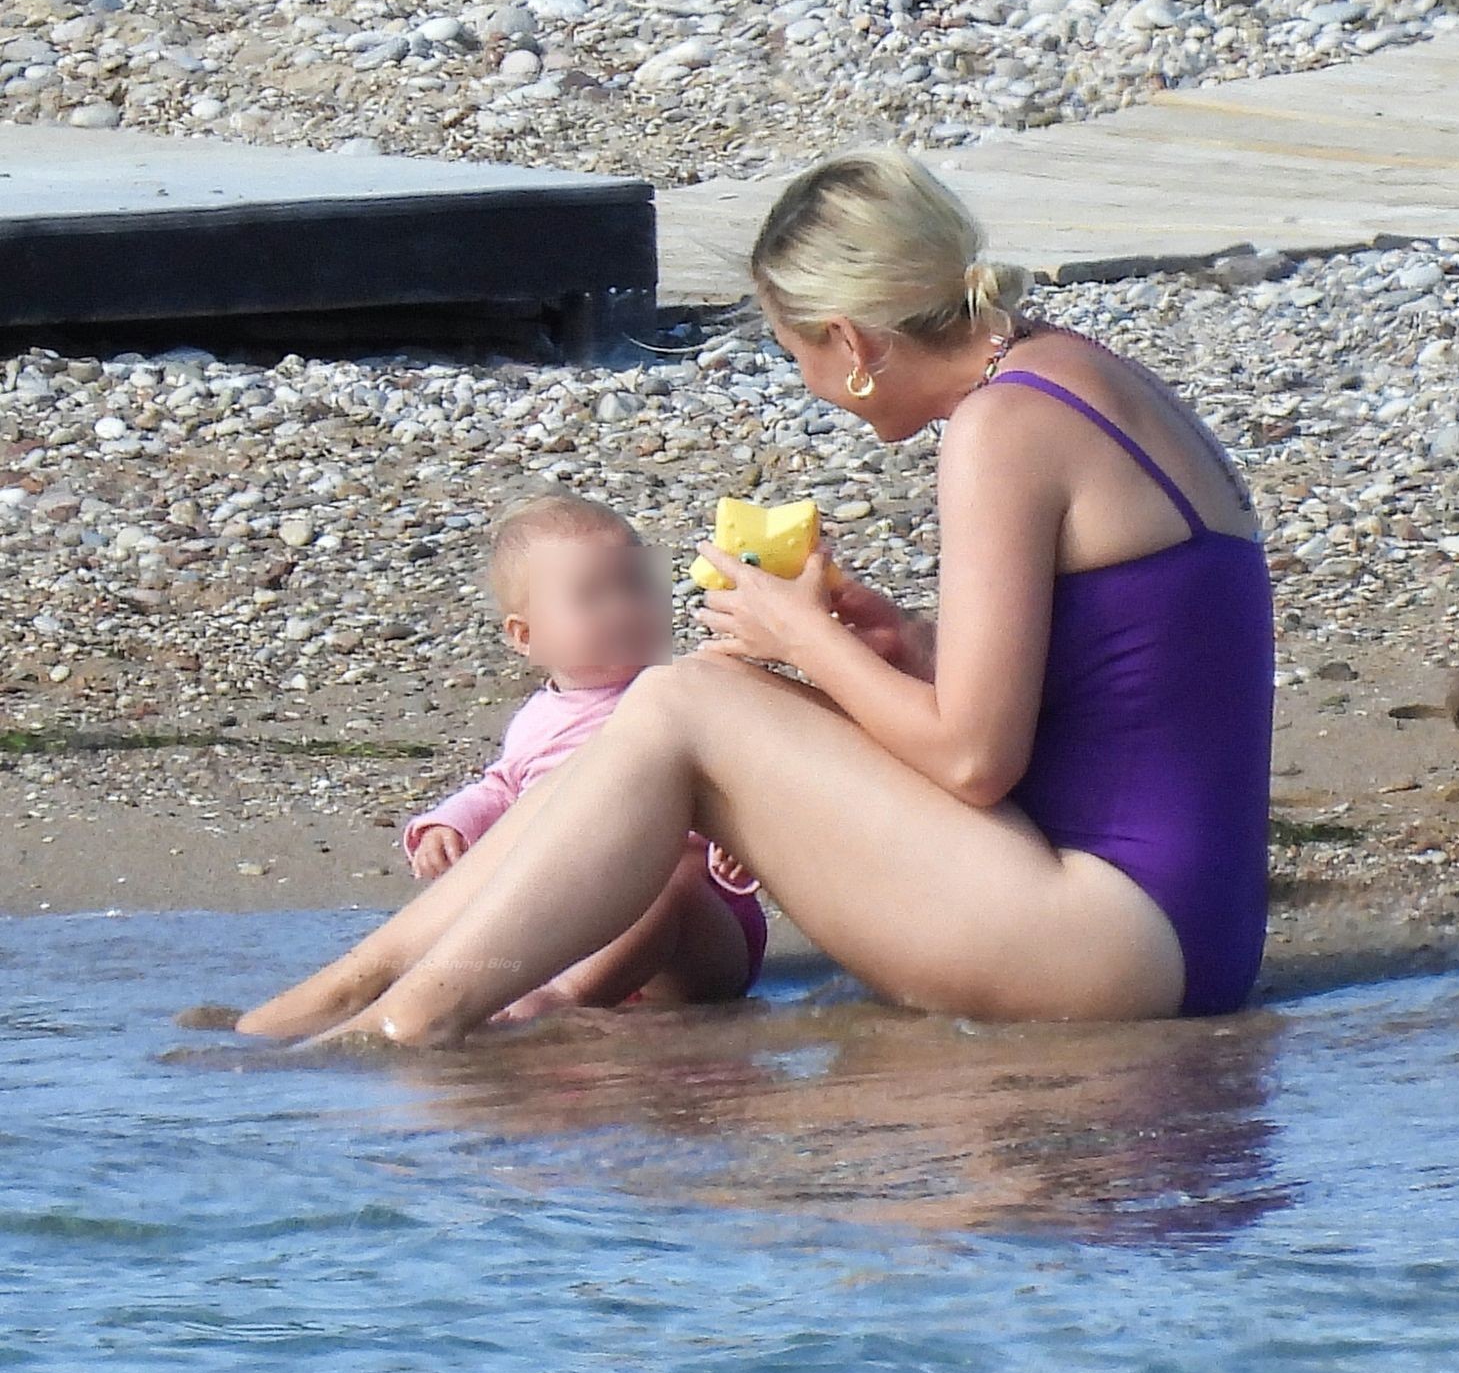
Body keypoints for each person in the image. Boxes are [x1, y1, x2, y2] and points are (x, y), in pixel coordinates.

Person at [235, 148, 1275, 1047]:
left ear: (853, 344)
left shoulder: (1001, 427)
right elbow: (1124, 684)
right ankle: (350, 994)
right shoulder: (1078, 372)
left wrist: (800, 636)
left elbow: (973, 757)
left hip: (1116, 942)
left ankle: (409, 1020)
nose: (811, 384)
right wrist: (907, 641)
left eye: (797, 355)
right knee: (669, 708)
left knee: (682, 698)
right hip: (1183, 931)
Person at [239, 489, 765, 1036]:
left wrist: (741, 839)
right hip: (572, 928)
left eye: (636, 586)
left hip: (697, 936)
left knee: (670, 879)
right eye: (593, 596)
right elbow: (504, 789)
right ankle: (414, 992)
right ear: (525, 636)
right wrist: (450, 823)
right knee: (496, 899)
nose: (623, 608)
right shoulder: (540, 720)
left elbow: (742, 780)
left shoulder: (683, 694)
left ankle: (562, 998)